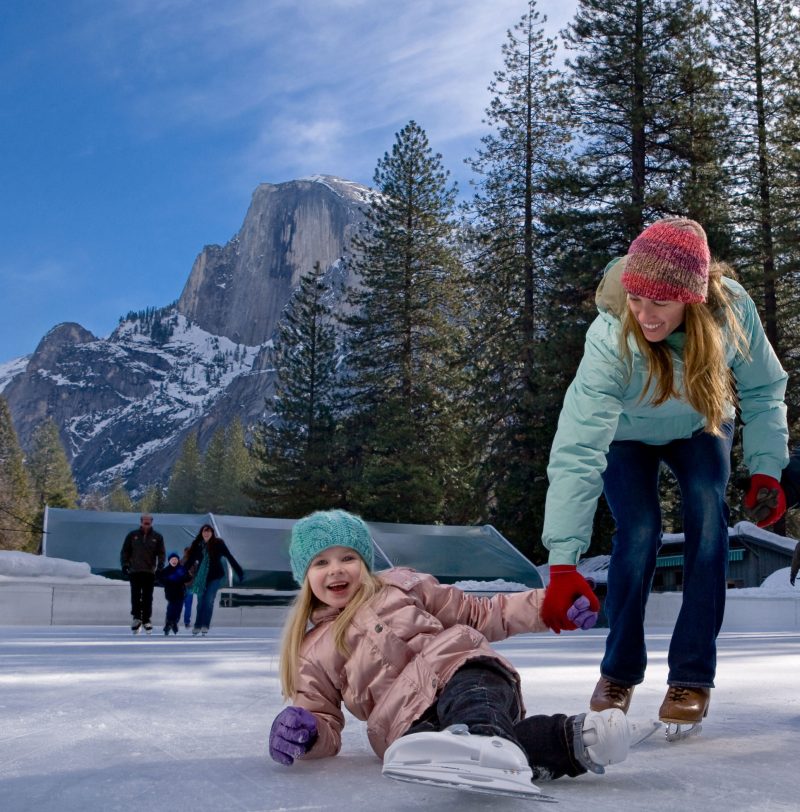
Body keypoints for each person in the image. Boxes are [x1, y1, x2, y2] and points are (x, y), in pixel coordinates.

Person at [539, 218, 789, 735]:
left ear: (692, 300)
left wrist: (767, 468)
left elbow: (765, 392)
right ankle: (618, 673)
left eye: (660, 304)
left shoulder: (729, 312)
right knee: (638, 530)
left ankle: (692, 676)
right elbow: (578, 446)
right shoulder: (611, 335)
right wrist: (563, 561)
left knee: (705, 508)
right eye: (636, 299)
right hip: (625, 434)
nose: (645, 315)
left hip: (700, 422)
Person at [268, 509, 657, 796]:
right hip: (405, 721)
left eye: (347, 557)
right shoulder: (312, 650)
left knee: (474, 705)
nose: (336, 570)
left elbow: (480, 613)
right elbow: (323, 720)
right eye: (321, 562)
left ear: (365, 563)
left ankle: (484, 741)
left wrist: (547, 605)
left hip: (462, 670)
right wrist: (306, 733)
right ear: (305, 576)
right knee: (438, 749)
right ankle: (575, 739)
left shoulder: (401, 586)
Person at [185, 524, 244, 636]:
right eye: (204, 531)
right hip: (201, 578)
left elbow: (229, 556)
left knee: (208, 601)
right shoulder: (198, 545)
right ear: (201, 533)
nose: (206, 533)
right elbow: (190, 561)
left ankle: (205, 625)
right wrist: (180, 573)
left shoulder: (218, 544)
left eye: (208, 531)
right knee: (200, 602)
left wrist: (239, 572)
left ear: (212, 533)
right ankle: (197, 625)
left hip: (215, 577)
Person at [120, 514, 166, 634]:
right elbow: (125, 551)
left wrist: (161, 564)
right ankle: (136, 618)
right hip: (134, 570)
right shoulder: (132, 535)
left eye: (148, 521)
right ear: (141, 522)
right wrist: (125, 564)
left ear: (152, 522)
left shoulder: (157, 537)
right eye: (144, 521)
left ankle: (146, 619)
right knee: (135, 595)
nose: (146, 523)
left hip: (149, 571)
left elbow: (161, 553)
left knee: (147, 596)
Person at [158, 551, 191, 635]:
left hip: (180, 592)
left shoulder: (181, 569)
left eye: (176, 559)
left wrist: (184, 578)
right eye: (172, 559)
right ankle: (169, 623)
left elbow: (188, 578)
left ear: (178, 560)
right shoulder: (166, 570)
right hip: (170, 593)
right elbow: (160, 579)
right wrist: (166, 581)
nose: (174, 561)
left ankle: (174, 622)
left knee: (178, 608)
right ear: (169, 561)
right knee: (171, 608)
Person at [181, 546, 194, 628]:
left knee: (184, 605)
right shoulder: (181, 562)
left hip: (186, 587)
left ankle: (185, 622)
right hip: (186, 587)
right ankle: (186, 622)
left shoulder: (180, 562)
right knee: (187, 605)